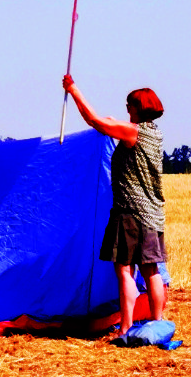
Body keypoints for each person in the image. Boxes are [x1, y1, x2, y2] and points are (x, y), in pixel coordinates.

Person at [62, 74, 167, 335]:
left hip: (129, 214)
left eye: (130, 105)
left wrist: (74, 90)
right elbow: (109, 123)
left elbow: (94, 121)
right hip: (152, 216)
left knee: (125, 272)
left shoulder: (133, 132)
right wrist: (110, 120)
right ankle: (158, 323)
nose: (127, 109)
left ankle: (126, 326)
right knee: (151, 270)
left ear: (139, 108)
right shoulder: (154, 134)